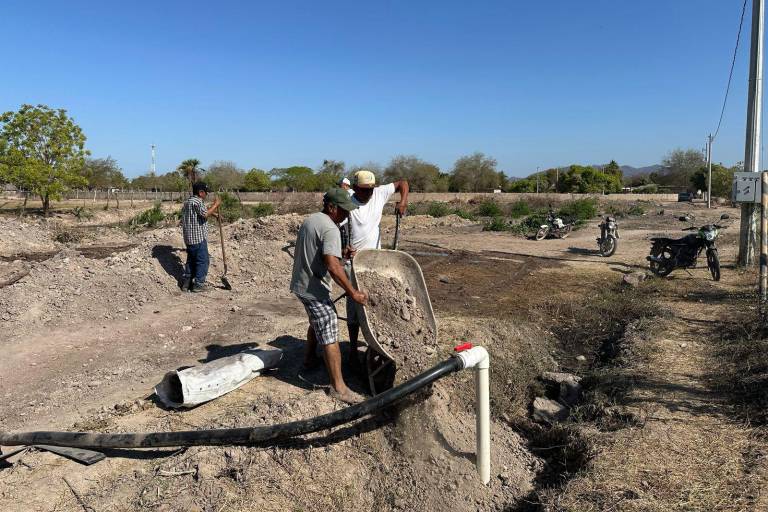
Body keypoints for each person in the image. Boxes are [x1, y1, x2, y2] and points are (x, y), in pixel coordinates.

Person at [290, 188, 368, 404]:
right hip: (312, 289)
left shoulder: (312, 220)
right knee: (330, 327)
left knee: (317, 321)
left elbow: (323, 256)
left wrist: (341, 255)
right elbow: (333, 267)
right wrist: (353, 293)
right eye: (344, 211)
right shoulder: (331, 229)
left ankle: (308, 360)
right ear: (332, 207)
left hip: (301, 284)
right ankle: (339, 387)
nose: (347, 215)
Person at [344, 170, 409, 369]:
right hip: (353, 264)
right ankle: (353, 349)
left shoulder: (378, 193)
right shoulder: (347, 200)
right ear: (355, 188)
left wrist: (403, 200)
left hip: (375, 263)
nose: (369, 194)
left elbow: (402, 182)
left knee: (378, 305)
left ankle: (381, 343)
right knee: (354, 307)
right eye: (364, 191)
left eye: (371, 190)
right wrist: (343, 247)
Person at [181, 182, 221, 292]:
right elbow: (204, 214)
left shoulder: (188, 201)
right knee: (203, 261)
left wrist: (214, 214)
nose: (206, 195)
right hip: (198, 237)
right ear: (200, 192)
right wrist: (216, 205)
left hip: (189, 238)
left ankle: (186, 283)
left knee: (191, 260)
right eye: (205, 192)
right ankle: (199, 284)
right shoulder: (198, 201)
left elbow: (199, 212)